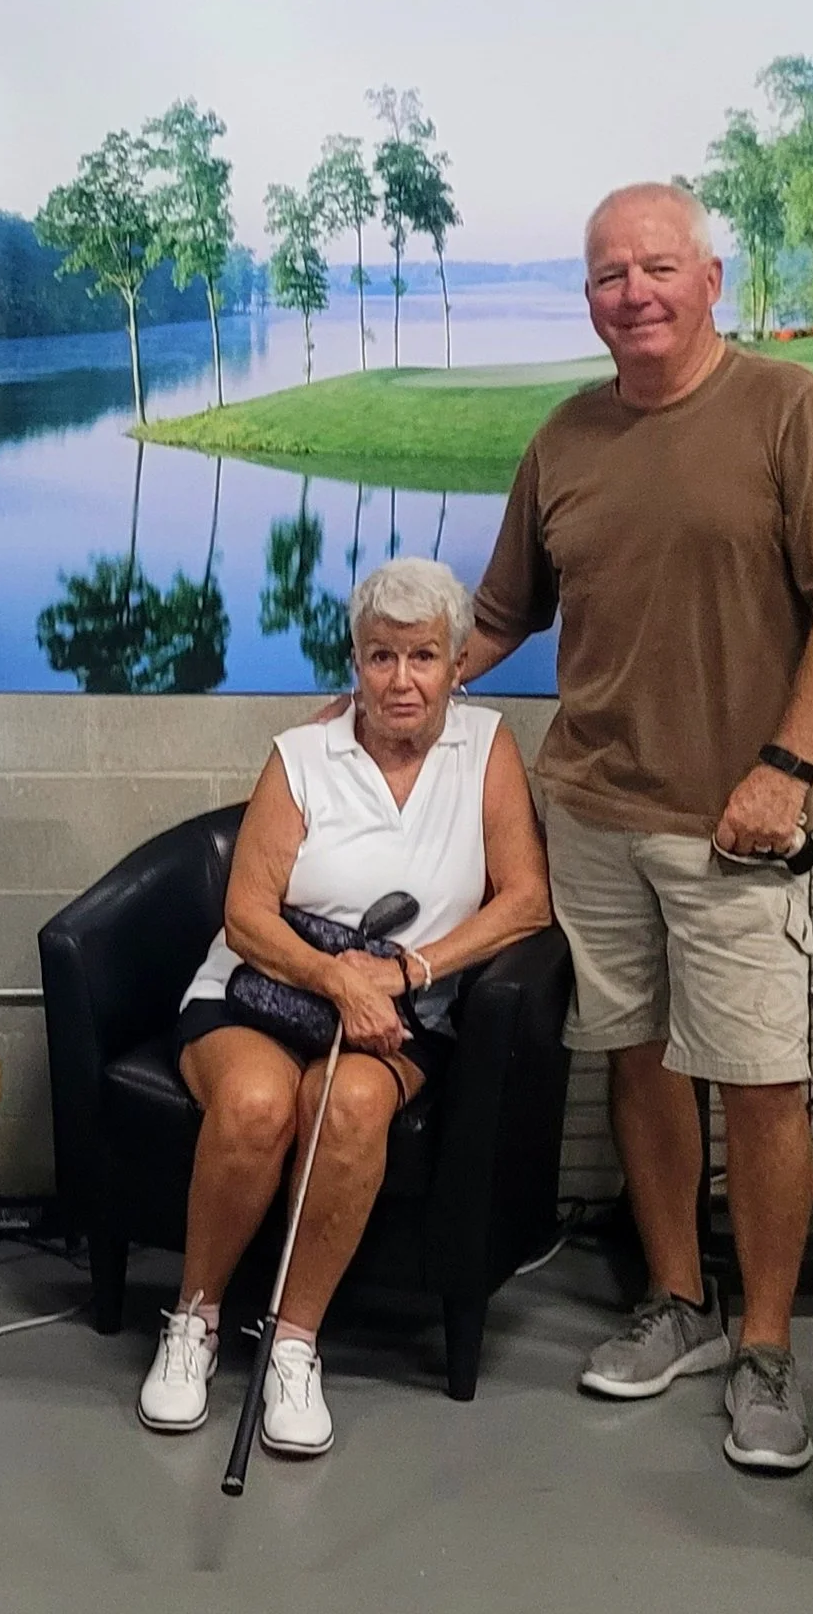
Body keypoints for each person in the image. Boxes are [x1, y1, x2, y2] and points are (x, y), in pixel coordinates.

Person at [466, 182, 813, 1473]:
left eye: (658, 267)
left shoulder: (789, 409)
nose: (634, 292)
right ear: (588, 299)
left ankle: (765, 1348)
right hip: (592, 810)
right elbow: (503, 613)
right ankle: (679, 1303)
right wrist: (393, 684)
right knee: (639, 1061)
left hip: (737, 824)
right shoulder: (564, 438)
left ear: (711, 280)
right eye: (610, 274)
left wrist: (787, 766)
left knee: (758, 1081)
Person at [141, 559, 551, 1455]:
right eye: (380, 656)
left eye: (423, 657)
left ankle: (293, 1342)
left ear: (456, 664)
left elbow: (526, 901)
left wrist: (407, 972)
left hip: (401, 1010)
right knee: (256, 1103)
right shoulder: (302, 754)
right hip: (260, 989)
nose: (401, 680)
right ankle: (194, 1321)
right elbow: (246, 915)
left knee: (352, 1102)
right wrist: (340, 980)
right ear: (355, 662)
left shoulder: (486, 749)